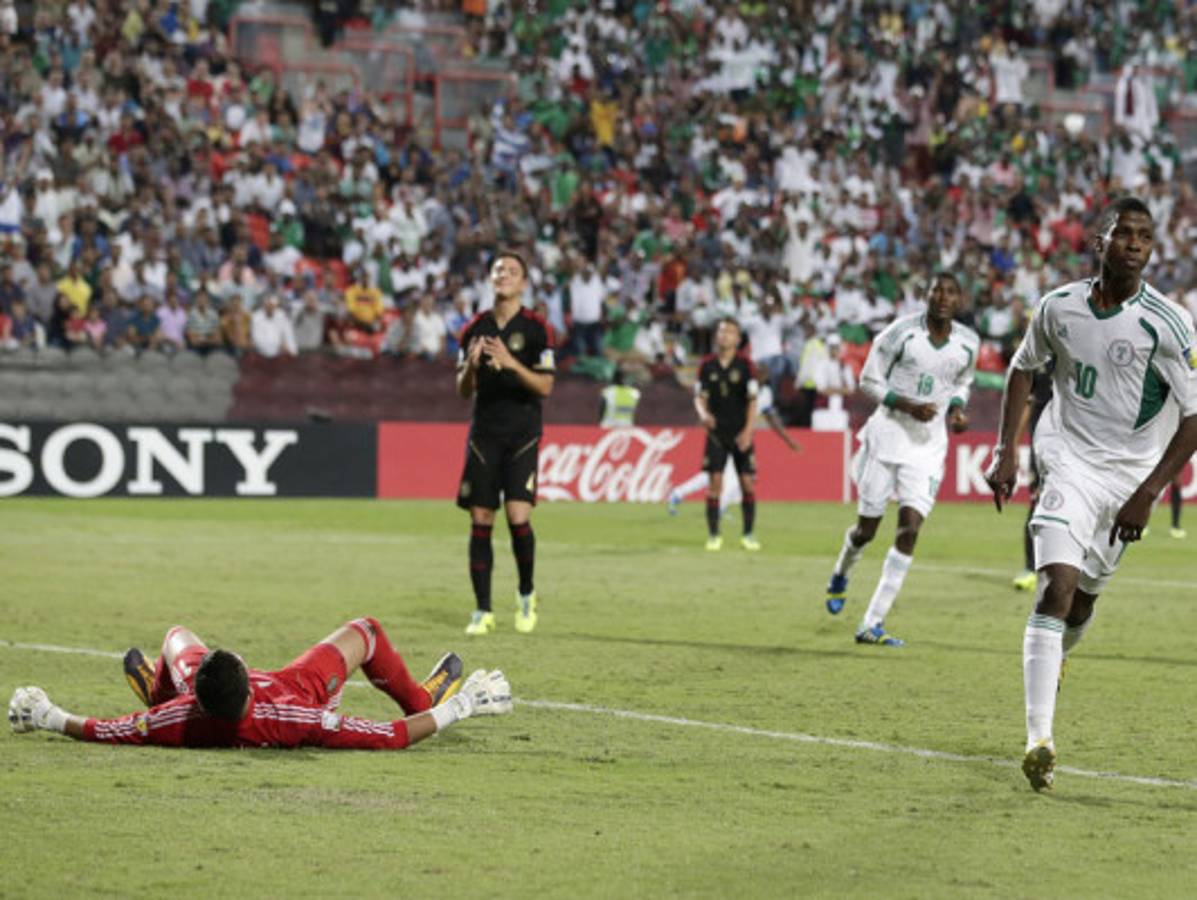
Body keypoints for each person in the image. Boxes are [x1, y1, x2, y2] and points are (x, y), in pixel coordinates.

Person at [985, 197, 1197, 792]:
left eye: (1144, 237)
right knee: (1055, 586)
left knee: (1080, 605)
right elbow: (1024, 369)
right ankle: (1039, 741)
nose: (1134, 243)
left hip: (1129, 480)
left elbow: (1194, 415)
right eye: (1123, 233)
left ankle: (1059, 657)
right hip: (1069, 464)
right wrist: (1006, 451)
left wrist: (1150, 492)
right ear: (1098, 241)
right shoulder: (1058, 307)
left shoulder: (1169, 323)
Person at [8, 617, 511, 749]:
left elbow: (103, 729)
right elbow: (393, 736)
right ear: (247, 682)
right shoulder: (294, 718)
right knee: (368, 632)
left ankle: (160, 686)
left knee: (176, 635)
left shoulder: (177, 720)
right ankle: (424, 694)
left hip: (177, 701)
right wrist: (463, 704)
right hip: (299, 687)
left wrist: (47, 715)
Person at [824, 273, 978, 646]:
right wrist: (906, 404)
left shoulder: (968, 342)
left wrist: (957, 410)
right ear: (925, 295)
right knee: (867, 530)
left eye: (950, 291)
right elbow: (868, 380)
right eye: (936, 290)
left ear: (959, 300)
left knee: (910, 528)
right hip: (888, 437)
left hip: (927, 447)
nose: (942, 297)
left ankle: (871, 622)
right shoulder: (899, 333)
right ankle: (841, 572)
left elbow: (962, 382)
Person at [455, 251, 556, 635]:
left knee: (518, 517)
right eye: (499, 270)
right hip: (484, 434)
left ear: (524, 283)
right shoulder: (474, 328)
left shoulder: (536, 328)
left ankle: (526, 594)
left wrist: (512, 363)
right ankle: (483, 610)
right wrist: (471, 365)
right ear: (490, 278)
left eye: (512, 271)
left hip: (523, 433)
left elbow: (545, 386)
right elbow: (463, 390)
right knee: (480, 518)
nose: (504, 275)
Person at [667, 383, 799, 515]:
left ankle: (678, 494)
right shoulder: (740, 387)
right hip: (728, 434)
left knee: (715, 473)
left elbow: (771, 418)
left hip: (741, 438)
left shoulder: (765, 394)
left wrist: (788, 440)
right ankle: (718, 509)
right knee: (740, 476)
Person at [693, 317, 761, 551]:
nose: (724, 335)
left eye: (729, 332)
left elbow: (753, 401)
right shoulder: (706, 365)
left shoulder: (746, 366)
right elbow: (699, 397)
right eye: (721, 331)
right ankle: (714, 535)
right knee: (715, 484)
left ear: (737, 338)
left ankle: (748, 534)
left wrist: (749, 431)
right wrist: (703, 414)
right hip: (716, 433)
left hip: (741, 432)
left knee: (747, 484)